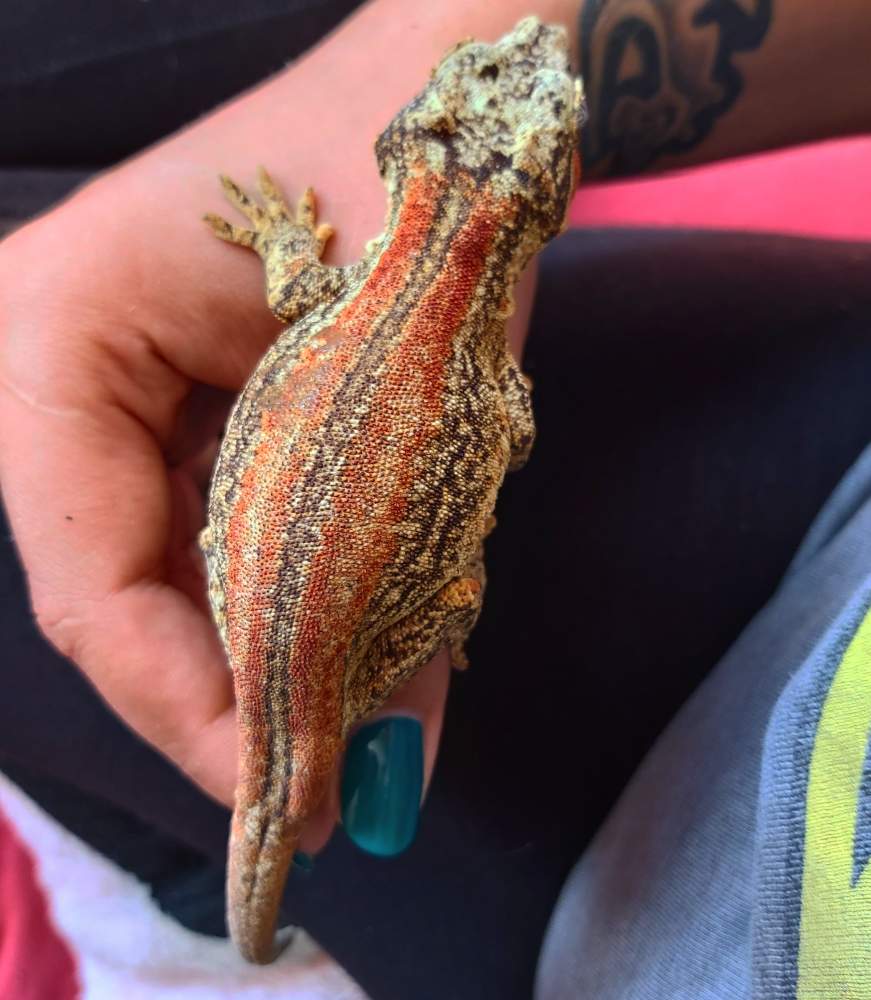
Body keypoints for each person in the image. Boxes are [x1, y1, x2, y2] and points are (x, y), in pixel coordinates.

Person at [0, 1, 869, 997]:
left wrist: (308, 198)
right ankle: (216, 908)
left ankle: (211, 917)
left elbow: (302, 281)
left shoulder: (352, 281)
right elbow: (512, 431)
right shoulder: (482, 366)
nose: (538, 36)